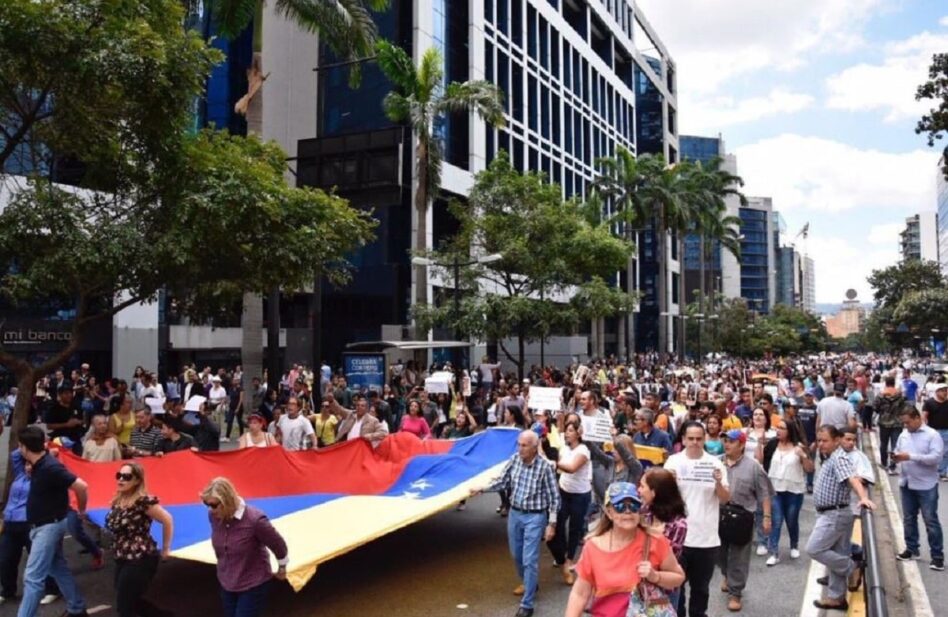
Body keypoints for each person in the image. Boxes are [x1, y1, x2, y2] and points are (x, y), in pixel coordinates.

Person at [471, 430, 560, 617]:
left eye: (524, 445)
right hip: (515, 513)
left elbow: (554, 498)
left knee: (530, 559)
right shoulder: (514, 460)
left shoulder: (545, 467)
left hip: (535, 517)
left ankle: (527, 604)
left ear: (535, 448)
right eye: (519, 444)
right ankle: (530, 583)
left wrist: (551, 524)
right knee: (516, 555)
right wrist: (482, 489)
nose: (520, 448)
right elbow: (502, 481)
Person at [564, 482, 685, 617]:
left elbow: (679, 577)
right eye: (620, 506)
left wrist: (655, 576)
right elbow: (580, 594)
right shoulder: (593, 547)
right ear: (609, 512)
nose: (628, 511)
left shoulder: (655, 540)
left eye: (633, 506)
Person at [16, 426, 89, 617]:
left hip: (48, 527)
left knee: (32, 578)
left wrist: (81, 509)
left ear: (24, 447)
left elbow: (82, 486)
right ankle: (77, 607)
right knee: (56, 567)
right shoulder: (41, 463)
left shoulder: (50, 467)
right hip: (45, 525)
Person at [664, 421, 730, 617]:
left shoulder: (715, 464)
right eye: (690, 438)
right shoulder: (673, 462)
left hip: (706, 539)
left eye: (699, 439)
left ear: (704, 440)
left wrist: (718, 482)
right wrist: (669, 481)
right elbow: (662, 498)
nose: (694, 442)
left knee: (701, 589)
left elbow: (725, 498)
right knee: (677, 589)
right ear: (683, 439)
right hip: (678, 539)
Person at [806, 425, 875, 611]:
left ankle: (852, 567)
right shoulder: (830, 457)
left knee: (814, 548)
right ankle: (837, 597)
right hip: (833, 512)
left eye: (825, 440)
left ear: (837, 440)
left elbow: (853, 479)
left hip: (834, 514)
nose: (821, 444)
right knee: (839, 551)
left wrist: (864, 498)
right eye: (819, 440)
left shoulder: (839, 458)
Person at [202, 478, 288, 617]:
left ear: (227, 501)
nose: (210, 509)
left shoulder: (255, 520)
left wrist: (282, 567)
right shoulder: (214, 516)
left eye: (213, 505)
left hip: (253, 583)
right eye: (206, 504)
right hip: (227, 582)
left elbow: (278, 544)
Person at [105, 462, 173, 617]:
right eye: (119, 476)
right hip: (122, 555)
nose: (121, 480)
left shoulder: (144, 502)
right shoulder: (119, 500)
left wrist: (166, 548)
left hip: (140, 558)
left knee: (125, 606)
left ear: (137, 480)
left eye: (126, 477)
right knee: (130, 599)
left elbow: (167, 519)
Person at [718, 429, 773, 612]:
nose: (727, 444)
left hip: (742, 516)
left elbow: (764, 493)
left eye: (731, 441)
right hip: (719, 514)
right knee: (720, 553)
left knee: (739, 556)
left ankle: (735, 592)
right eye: (725, 440)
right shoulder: (716, 463)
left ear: (741, 445)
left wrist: (766, 517)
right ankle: (726, 574)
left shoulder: (754, 466)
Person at [0, 451, 60, 605]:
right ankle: (7, 591)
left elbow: (64, 448)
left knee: (40, 559)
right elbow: (14, 455)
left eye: (31, 465)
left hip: (30, 523)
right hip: (10, 523)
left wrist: (46, 451)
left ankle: (52, 589)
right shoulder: (20, 475)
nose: (28, 467)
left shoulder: (42, 479)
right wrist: (33, 447)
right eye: (26, 464)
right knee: (6, 559)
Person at [892, 406, 944, 570]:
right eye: (903, 423)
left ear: (917, 418)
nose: (905, 426)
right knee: (908, 518)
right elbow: (898, 450)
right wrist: (896, 457)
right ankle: (912, 548)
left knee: (930, 520)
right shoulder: (904, 434)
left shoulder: (932, 435)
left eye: (907, 422)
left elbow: (936, 458)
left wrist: (911, 457)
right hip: (907, 482)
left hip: (926, 484)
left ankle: (937, 556)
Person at [763, 419, 814, 565]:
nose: (778, 430)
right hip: (775, 489)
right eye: (777, 428)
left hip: (794, 490)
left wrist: (803, 456)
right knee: (777, 521)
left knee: (791, 520)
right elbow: (763, 462)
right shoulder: (772, 445)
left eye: (782, 428)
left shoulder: (799, 447)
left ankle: (794, 544)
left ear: (790, 431)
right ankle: (773, 552)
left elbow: (810, 469)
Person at [638, 467, 688, 611]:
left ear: (654, 492)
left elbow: (666, 559)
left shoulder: (678, 525)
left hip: (663, 590)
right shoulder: (643, 511)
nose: (639, 491)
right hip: (637, 587)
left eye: (642, 486)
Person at [548, 421, 591, 585]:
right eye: (566, 431)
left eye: (571, 431)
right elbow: (560, 467)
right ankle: (562, 557)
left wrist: (555, 464)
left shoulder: (583, 450)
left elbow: (572, 467)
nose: (567, 434)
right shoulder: (564, 448)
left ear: (578, 434)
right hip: (563, 491)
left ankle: (570, 559)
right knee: (557, 525)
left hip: (580, 495)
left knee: (575, 527)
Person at [876, 376, 907, 475]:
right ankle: (892, 467)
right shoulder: (900, 396)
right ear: (894, 383)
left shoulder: (881, 395)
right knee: (895, 445)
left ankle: (884, 463)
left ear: (886, 383)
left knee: (883, 444)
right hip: (897, 423)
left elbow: (875, 407)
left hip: (884, 422)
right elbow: (904, 409)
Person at [921, 382, 948, 480]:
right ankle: (930, 470)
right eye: (943, 391)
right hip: (933, 431)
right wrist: (923, 429)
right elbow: (924, 416)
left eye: (946, 390)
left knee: (945, 452)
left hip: (946, 431)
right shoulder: (929, 403)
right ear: (937, 392)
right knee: (932, 452)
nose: (945, 393)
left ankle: (942, 472)